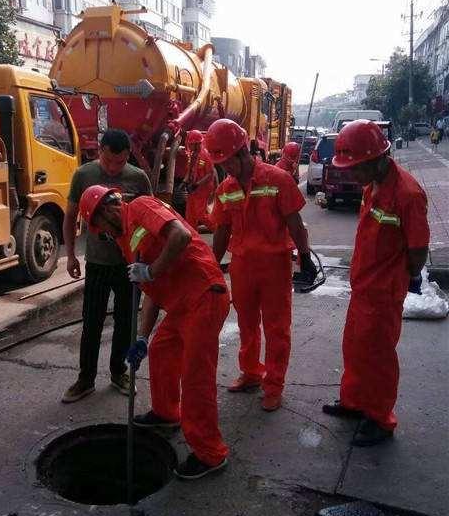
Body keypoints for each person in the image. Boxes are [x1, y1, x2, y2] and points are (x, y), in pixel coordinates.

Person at [78, 184, 230, 479]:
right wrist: (142, 338)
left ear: (107, 210)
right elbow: (151, 292)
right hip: (181, 305)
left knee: (195, 377)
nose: (104, 233)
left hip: (203, 294)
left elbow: (180, 236)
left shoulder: (141, 207)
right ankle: (166, 413)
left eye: (101, 226)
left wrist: (151, 270)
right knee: (161, 350)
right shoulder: (124, 240)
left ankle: (210, 454)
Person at [322, 120, 429, 446]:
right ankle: (355, 402)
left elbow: (418, 251)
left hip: (383, 292)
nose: (353, 175)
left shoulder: (407, 194)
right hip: (363, 286)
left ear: (377, 158)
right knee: (355, 348)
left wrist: (398, 278)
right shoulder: (373, 185)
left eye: (357, 167)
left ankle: (380, 418)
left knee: (378, 357)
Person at [206, 119, 318, 412]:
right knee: (246, 323)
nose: (225, 168)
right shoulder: (226, 188)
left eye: (227, 161)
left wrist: (305, 256)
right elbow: (221, 231)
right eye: (220, 163)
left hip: (275, 266)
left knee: (276, 328)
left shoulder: (277, 179)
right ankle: (251, 373)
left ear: (242, 152)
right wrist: (212, 266)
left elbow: (295, 222)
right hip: (242, 265)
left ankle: (274, 384)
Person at [61, 129, 152, 403]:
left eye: (120, 162)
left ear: (128, 156)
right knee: (92, 322)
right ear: (100, 151)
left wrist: (148, 261)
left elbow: (150, 217)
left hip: (129, 264)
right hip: (97, 263)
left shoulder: (138, 178)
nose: (113, 168)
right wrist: (70, 255)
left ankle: (118, 372)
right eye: (109, 161)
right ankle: (85, 379)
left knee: (126, 321)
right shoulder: (84, 175)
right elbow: (70, 216)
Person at [183, 130, 216, 231]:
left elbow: (210, 174)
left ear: (197, 144)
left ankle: (218, 229)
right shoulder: (192, 155)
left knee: (200, 214)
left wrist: (197, 184)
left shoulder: (206, 155)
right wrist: (184, 181)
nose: (189, 146)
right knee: (190, 215)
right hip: (193, 189)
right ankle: (193, 237)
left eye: (191, 144)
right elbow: (190, 170)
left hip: (203, 189)